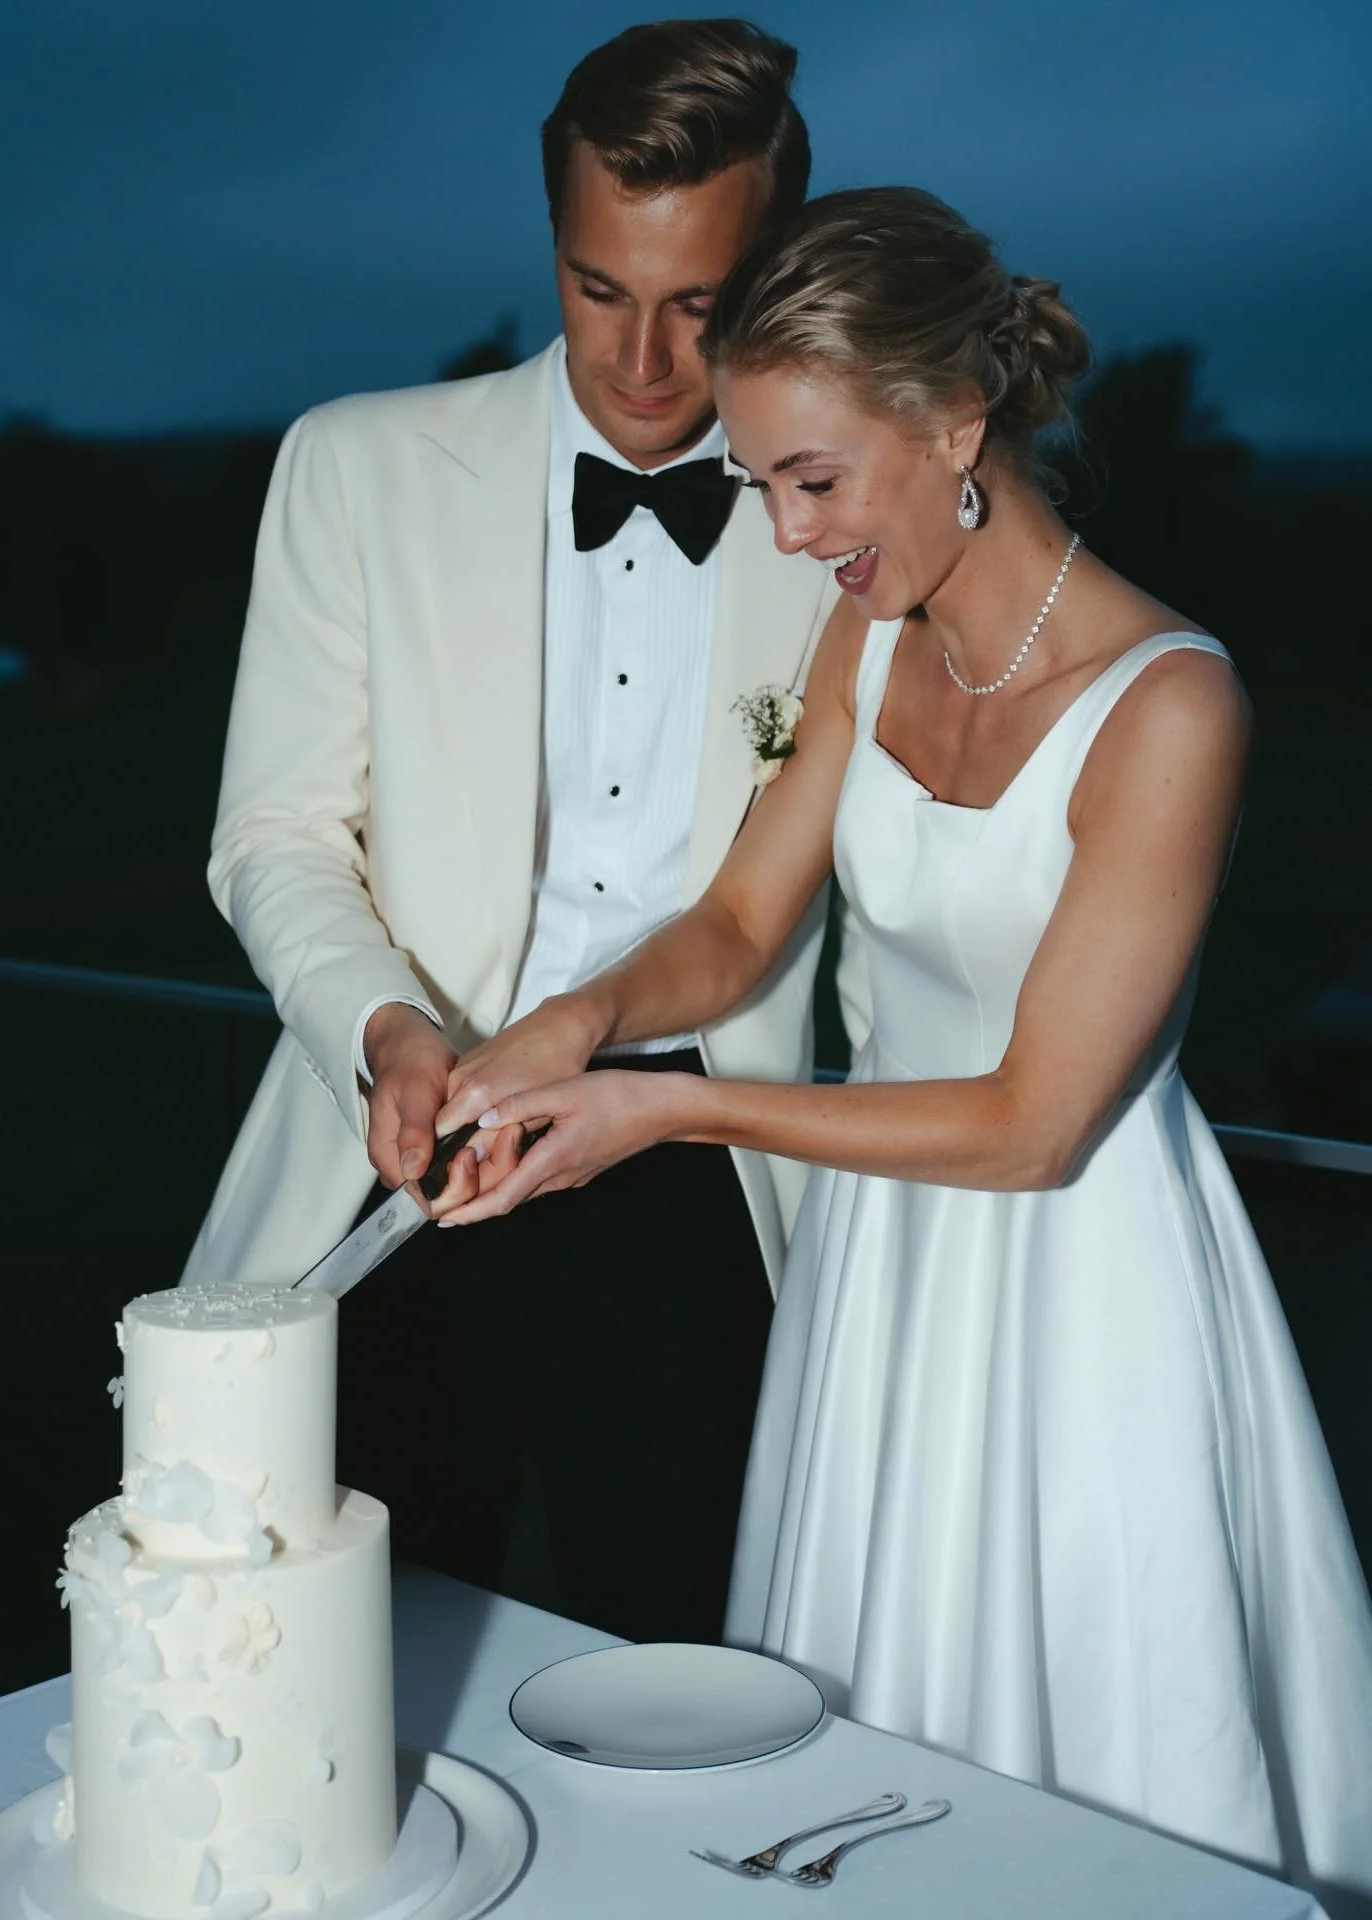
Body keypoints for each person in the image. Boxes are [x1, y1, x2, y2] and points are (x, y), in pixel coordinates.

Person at [431, 188, 1372, 1909]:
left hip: (1079, 1291)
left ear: (954, 425)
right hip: (877, 1266)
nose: (787, 537)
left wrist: (663, 1111)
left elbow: (1032, 1122)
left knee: (1080, 1775)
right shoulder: (871, 627)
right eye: (758, 484)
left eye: (815, 481)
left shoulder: (1171, 706)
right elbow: (733, 930)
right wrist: (559, 1029)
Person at [179, 19, 845, 1646]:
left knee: (701, 1664)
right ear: (550, 243)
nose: (640, 361)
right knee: (332, 1659)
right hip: (409, 1132)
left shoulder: (840, 524)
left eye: (701, 304)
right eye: (598, 287)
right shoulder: (353, 469)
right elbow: (272, 837)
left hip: (708, 1160)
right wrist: (386, 1026)